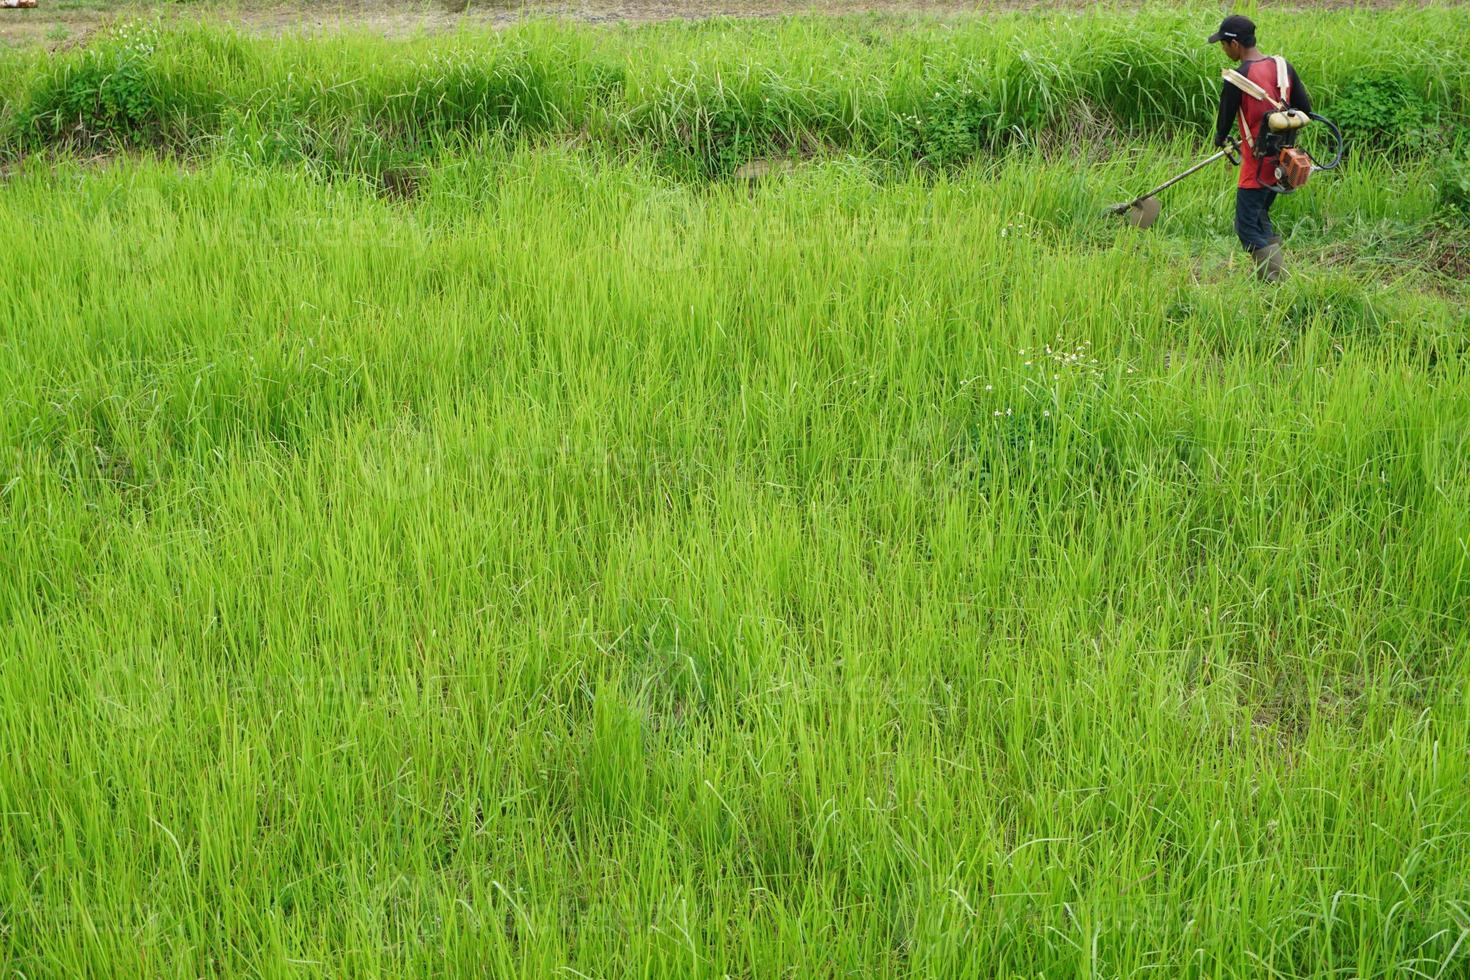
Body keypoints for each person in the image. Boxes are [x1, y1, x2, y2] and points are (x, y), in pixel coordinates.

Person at [1209, 14, 1312, 282]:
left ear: (1234, 45)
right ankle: (1273, 280)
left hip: (1255, 167)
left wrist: (1220, 139)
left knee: (1247, 226)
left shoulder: (1237, 78)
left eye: (1223, 44)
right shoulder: (1282, 66)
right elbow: (1305, 109)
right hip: (1281, 162)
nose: (1223, 49)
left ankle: (1277, 283)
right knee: (1260, 216)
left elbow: (1224, 120)